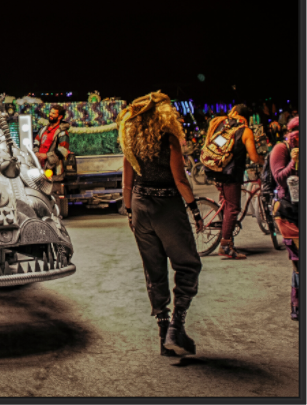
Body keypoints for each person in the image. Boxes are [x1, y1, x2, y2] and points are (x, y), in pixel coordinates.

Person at [118, 91, 204, 358]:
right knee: (188, 264)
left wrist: (131, 213)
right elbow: (180, 180)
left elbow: (127, 183)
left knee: (154, 270)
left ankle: (162, 328)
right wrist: (195, 210)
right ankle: (176, 327)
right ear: (163, 114)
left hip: (141, 208)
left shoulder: (130, 140)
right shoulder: (169, 140)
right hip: (167, 207)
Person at [202, 103, 262, 259]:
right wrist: (264, 161)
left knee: (225, 203)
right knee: (233, 207)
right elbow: (254, 157)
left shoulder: (223, 126)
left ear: (234, 112)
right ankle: (225, 244)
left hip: (215, 170)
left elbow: (217, 147)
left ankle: (226, 230)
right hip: (231, 174)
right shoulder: (245, 131)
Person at [269, 116, 299, 320]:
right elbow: (279, 177)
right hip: (288, 211)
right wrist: (294, 161)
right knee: (299, 262)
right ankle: (297, 306)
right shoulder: (281, 149)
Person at [36, 105, 70, 171]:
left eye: (53, 113)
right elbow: (36, 141)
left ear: (60, 117)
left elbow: (63, 151)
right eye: (50, 112)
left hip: (54, 170)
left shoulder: (62, 133)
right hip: (40, 167)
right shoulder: (44, 129)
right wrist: (36, 152)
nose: (50, 114)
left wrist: (46, 156)